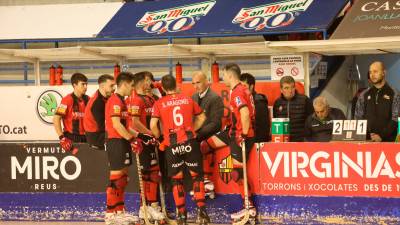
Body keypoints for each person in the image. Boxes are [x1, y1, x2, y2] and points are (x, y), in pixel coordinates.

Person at [150, 75, 209, 225]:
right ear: (176, 85)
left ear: (163, 88)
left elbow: (153, 125)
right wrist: (192, 130)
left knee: (177, 180)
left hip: (173, 145)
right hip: (190, 142)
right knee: (197, 177)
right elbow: (202, 117)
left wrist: (160, 139)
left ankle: (182, 215)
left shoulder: (159, 103)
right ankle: (202, 211)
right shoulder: (188, 99)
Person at [206, 63, 257, 221]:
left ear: (230, 75)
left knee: (237, 173)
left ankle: (249, 207)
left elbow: (245, 113)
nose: (222, 78)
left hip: (240, 135)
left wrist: (243, 134)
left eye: (223, 75)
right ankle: (207, 181)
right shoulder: (242, 89)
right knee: (205, 145)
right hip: (232, 132)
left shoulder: (237, 91)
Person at [104, 72, 154, 225]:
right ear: (124, 84)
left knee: (123, 179)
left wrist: (140, 136)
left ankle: (119, 210)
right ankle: (111, 213)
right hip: (116, 141)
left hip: (123, 140)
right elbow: (116, 125)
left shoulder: (122, 101)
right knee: (116, 178)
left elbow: (126, 126)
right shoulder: (115, 101)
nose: (133, 88)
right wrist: (131, 139)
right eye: (131, 85)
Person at [128, 71, 164, 222]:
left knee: (154, 174)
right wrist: (149, 134)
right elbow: (135, 122)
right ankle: (144, 207)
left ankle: (153, 205)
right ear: (142, 82)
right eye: (149, 80)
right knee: (145, 174)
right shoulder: (136, 100)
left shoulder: (153, 98)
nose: (151, 83)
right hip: (143, 142)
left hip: (153, 141)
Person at [191, 71, 224, 198]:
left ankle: (207, 182)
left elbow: (216, 124)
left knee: (203, 147)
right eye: (193, 83)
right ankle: (199, 184)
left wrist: (198, 135)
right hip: (196, 137)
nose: (195, 86)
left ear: (206, 81)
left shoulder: (215, 98)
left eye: (198, 82)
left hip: (208, 137)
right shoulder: (193, 97)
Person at [355, 61, 400, 142]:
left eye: (375, 71)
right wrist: (367, 134)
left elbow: (396, 118)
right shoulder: (363, 94)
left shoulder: (394, 93)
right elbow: (358, 117)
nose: (372, 75)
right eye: (370, 72)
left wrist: (381, 136)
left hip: (388, 142)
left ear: (384, 73)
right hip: (367, 141)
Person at [53, 73, 89, 152]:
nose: (86, 87)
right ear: (74, 85)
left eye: (86, 84)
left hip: (86, 137)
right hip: (72, 139)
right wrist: (61, 138)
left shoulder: (88, 99)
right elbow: (56, 118)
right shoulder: (67, 100)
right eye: (83, 84)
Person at [273, 76, 313, 142]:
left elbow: (311, 120)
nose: (290, 91)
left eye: (292, 87)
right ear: (281, 90)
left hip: (301, 140)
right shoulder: (277, 103)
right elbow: (275, 120)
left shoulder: (305, 100)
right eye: (286, 88)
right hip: (283, 141)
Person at [83, 74, 115, 150]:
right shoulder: (97, 102)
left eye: (114, 86)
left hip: (99, 135)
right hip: (96, 138)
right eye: (111, 86)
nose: (114, 88)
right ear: (102, 86)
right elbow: (103, 125)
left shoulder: (106, 97)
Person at [240, 73, 270, 142]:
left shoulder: (259, 102)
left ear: (251, 87)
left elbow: (263, 129)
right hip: (243, 141)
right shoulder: (241, 100)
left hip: (255, 144)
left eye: (244, 86)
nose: (241, 89)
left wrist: (256, 145)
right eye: (240, 87)